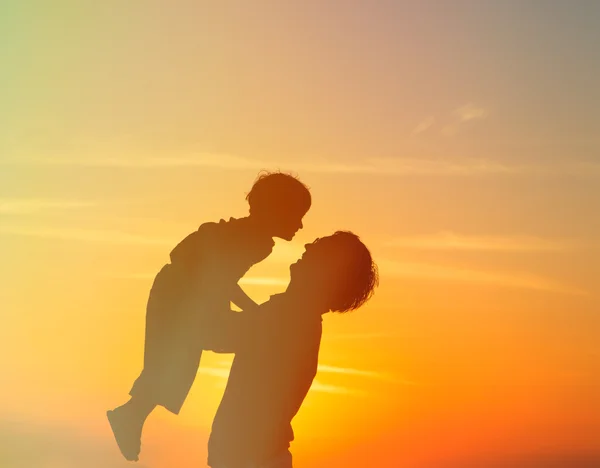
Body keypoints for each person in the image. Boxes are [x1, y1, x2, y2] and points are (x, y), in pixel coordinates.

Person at [107, 171, 312, 462]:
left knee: (178, 364)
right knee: (178, 363)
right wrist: (255, 312)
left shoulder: (257, 241)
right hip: (179, 297)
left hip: (189, 296)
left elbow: (218, 277)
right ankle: (131, 416)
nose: (301, 224)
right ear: (275, 211)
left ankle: (130, 415)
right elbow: (216, 276)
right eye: (297, 215)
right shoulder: (251, 241)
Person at [205, 231, 379, 468]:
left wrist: (211, 278)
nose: (308, 245)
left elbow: (216, 334)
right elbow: (253, 322)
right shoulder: (296, 318)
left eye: (320, 247)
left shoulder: (289, 318)